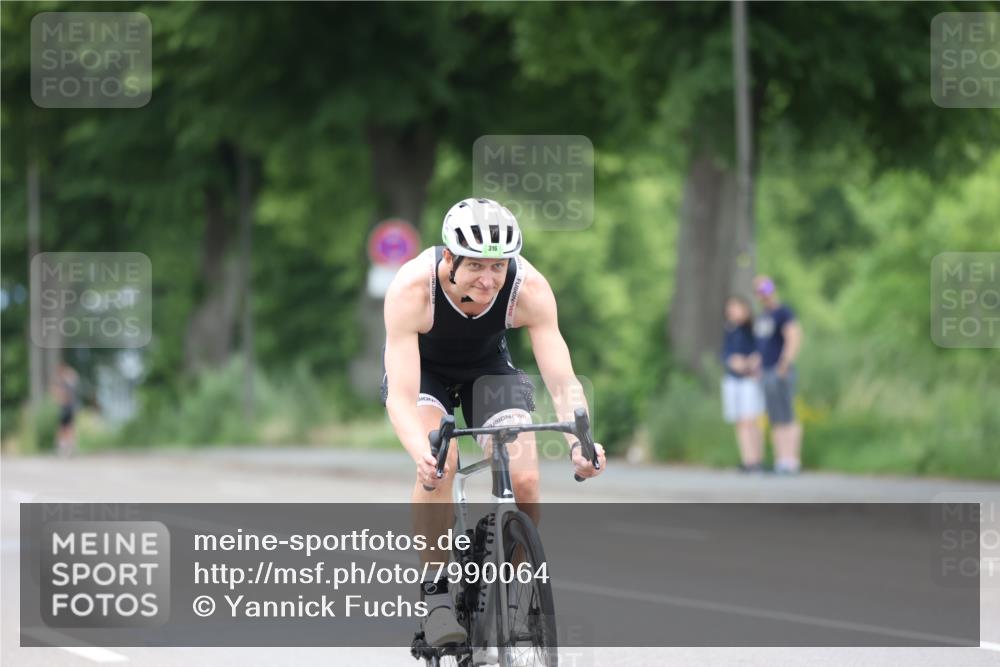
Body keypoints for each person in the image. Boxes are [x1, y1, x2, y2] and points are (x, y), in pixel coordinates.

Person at [381, 197, 606, 650]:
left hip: (489, 371)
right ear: (449, 259)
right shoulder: (411, 289)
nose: (488, 280)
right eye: (477, 267)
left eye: (498, 268)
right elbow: (402, 398)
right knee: (442, 464)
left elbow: (562, 380)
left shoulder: (529, 288)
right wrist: (421, 455)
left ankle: (515, 584)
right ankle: (437, 597)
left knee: (524, 475)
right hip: (426, 375)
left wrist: (580, 440)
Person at [752, 276, 803, 474]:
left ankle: (792, 460)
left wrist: (785, 362)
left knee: (787, 414)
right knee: (774, 417)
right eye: (759, 291)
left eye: (765, 290)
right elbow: (761, 345)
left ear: (772, 290)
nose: (762, 295)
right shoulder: (762, 316)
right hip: (765, 371)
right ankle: (781, 459)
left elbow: (794, 336)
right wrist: (757, 364)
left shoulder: (783, 313)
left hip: (780, 369)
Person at [720, 296, 765, 472]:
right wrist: (732, 361)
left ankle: (757, 459)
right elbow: (725, 352)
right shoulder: (729, 328)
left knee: (750, 419)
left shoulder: (753, 327)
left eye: (735, 307)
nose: (731, 311)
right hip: (733, 379)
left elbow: (760, 349)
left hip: (749, 379)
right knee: (739, 421)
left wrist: (750, 361)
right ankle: (747, 459)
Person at [51, 362, 80, 457]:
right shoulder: (62, 382)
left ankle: (68, 448)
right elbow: (56, 393)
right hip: (65, 407)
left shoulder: (67, 381)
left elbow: (74, 377)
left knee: (68, 428)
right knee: (64, 428)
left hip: (68, 407)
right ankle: (64, 448)